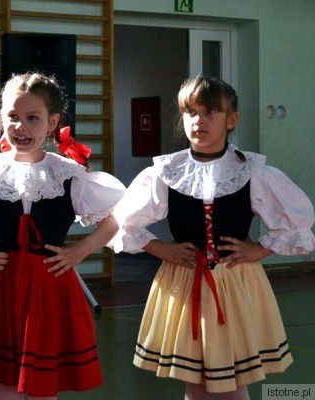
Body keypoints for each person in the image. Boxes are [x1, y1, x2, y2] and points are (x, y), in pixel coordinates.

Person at [111, 76, 315, 400]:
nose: (199, 120)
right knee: (195, 381)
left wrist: (259, 249)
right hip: (184, 282)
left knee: (234, 380)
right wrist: (158, 247)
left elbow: (297, 222)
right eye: (191, 112)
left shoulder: (251, 170)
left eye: (210, 112)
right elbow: (122, 221)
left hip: (235, 282)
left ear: (231, 120)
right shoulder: (167, 171)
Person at [0, 72, 125, 399]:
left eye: (33, 118)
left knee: (44, 385)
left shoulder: (68, 174)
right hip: (0, 288)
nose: (21, 126)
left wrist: (80, 250)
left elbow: (114, 220)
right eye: (13, 117)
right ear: (1, 118)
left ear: (52, 122)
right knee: (6, 382)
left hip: (50, 291)